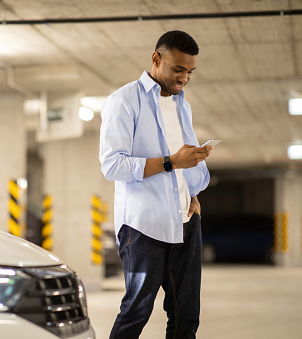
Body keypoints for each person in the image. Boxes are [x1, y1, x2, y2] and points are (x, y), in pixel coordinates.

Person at [99, 30, 212, 339]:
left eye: (190, 72)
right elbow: (112, 165)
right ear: (156, 59)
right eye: (178, 70)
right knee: (137, 310)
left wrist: (193, 193)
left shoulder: (182, 107)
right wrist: (171, 162)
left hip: (185, 222)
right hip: (143, 227)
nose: (184, 79)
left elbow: (183, 164)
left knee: (186, 316)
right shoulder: (123, 101)